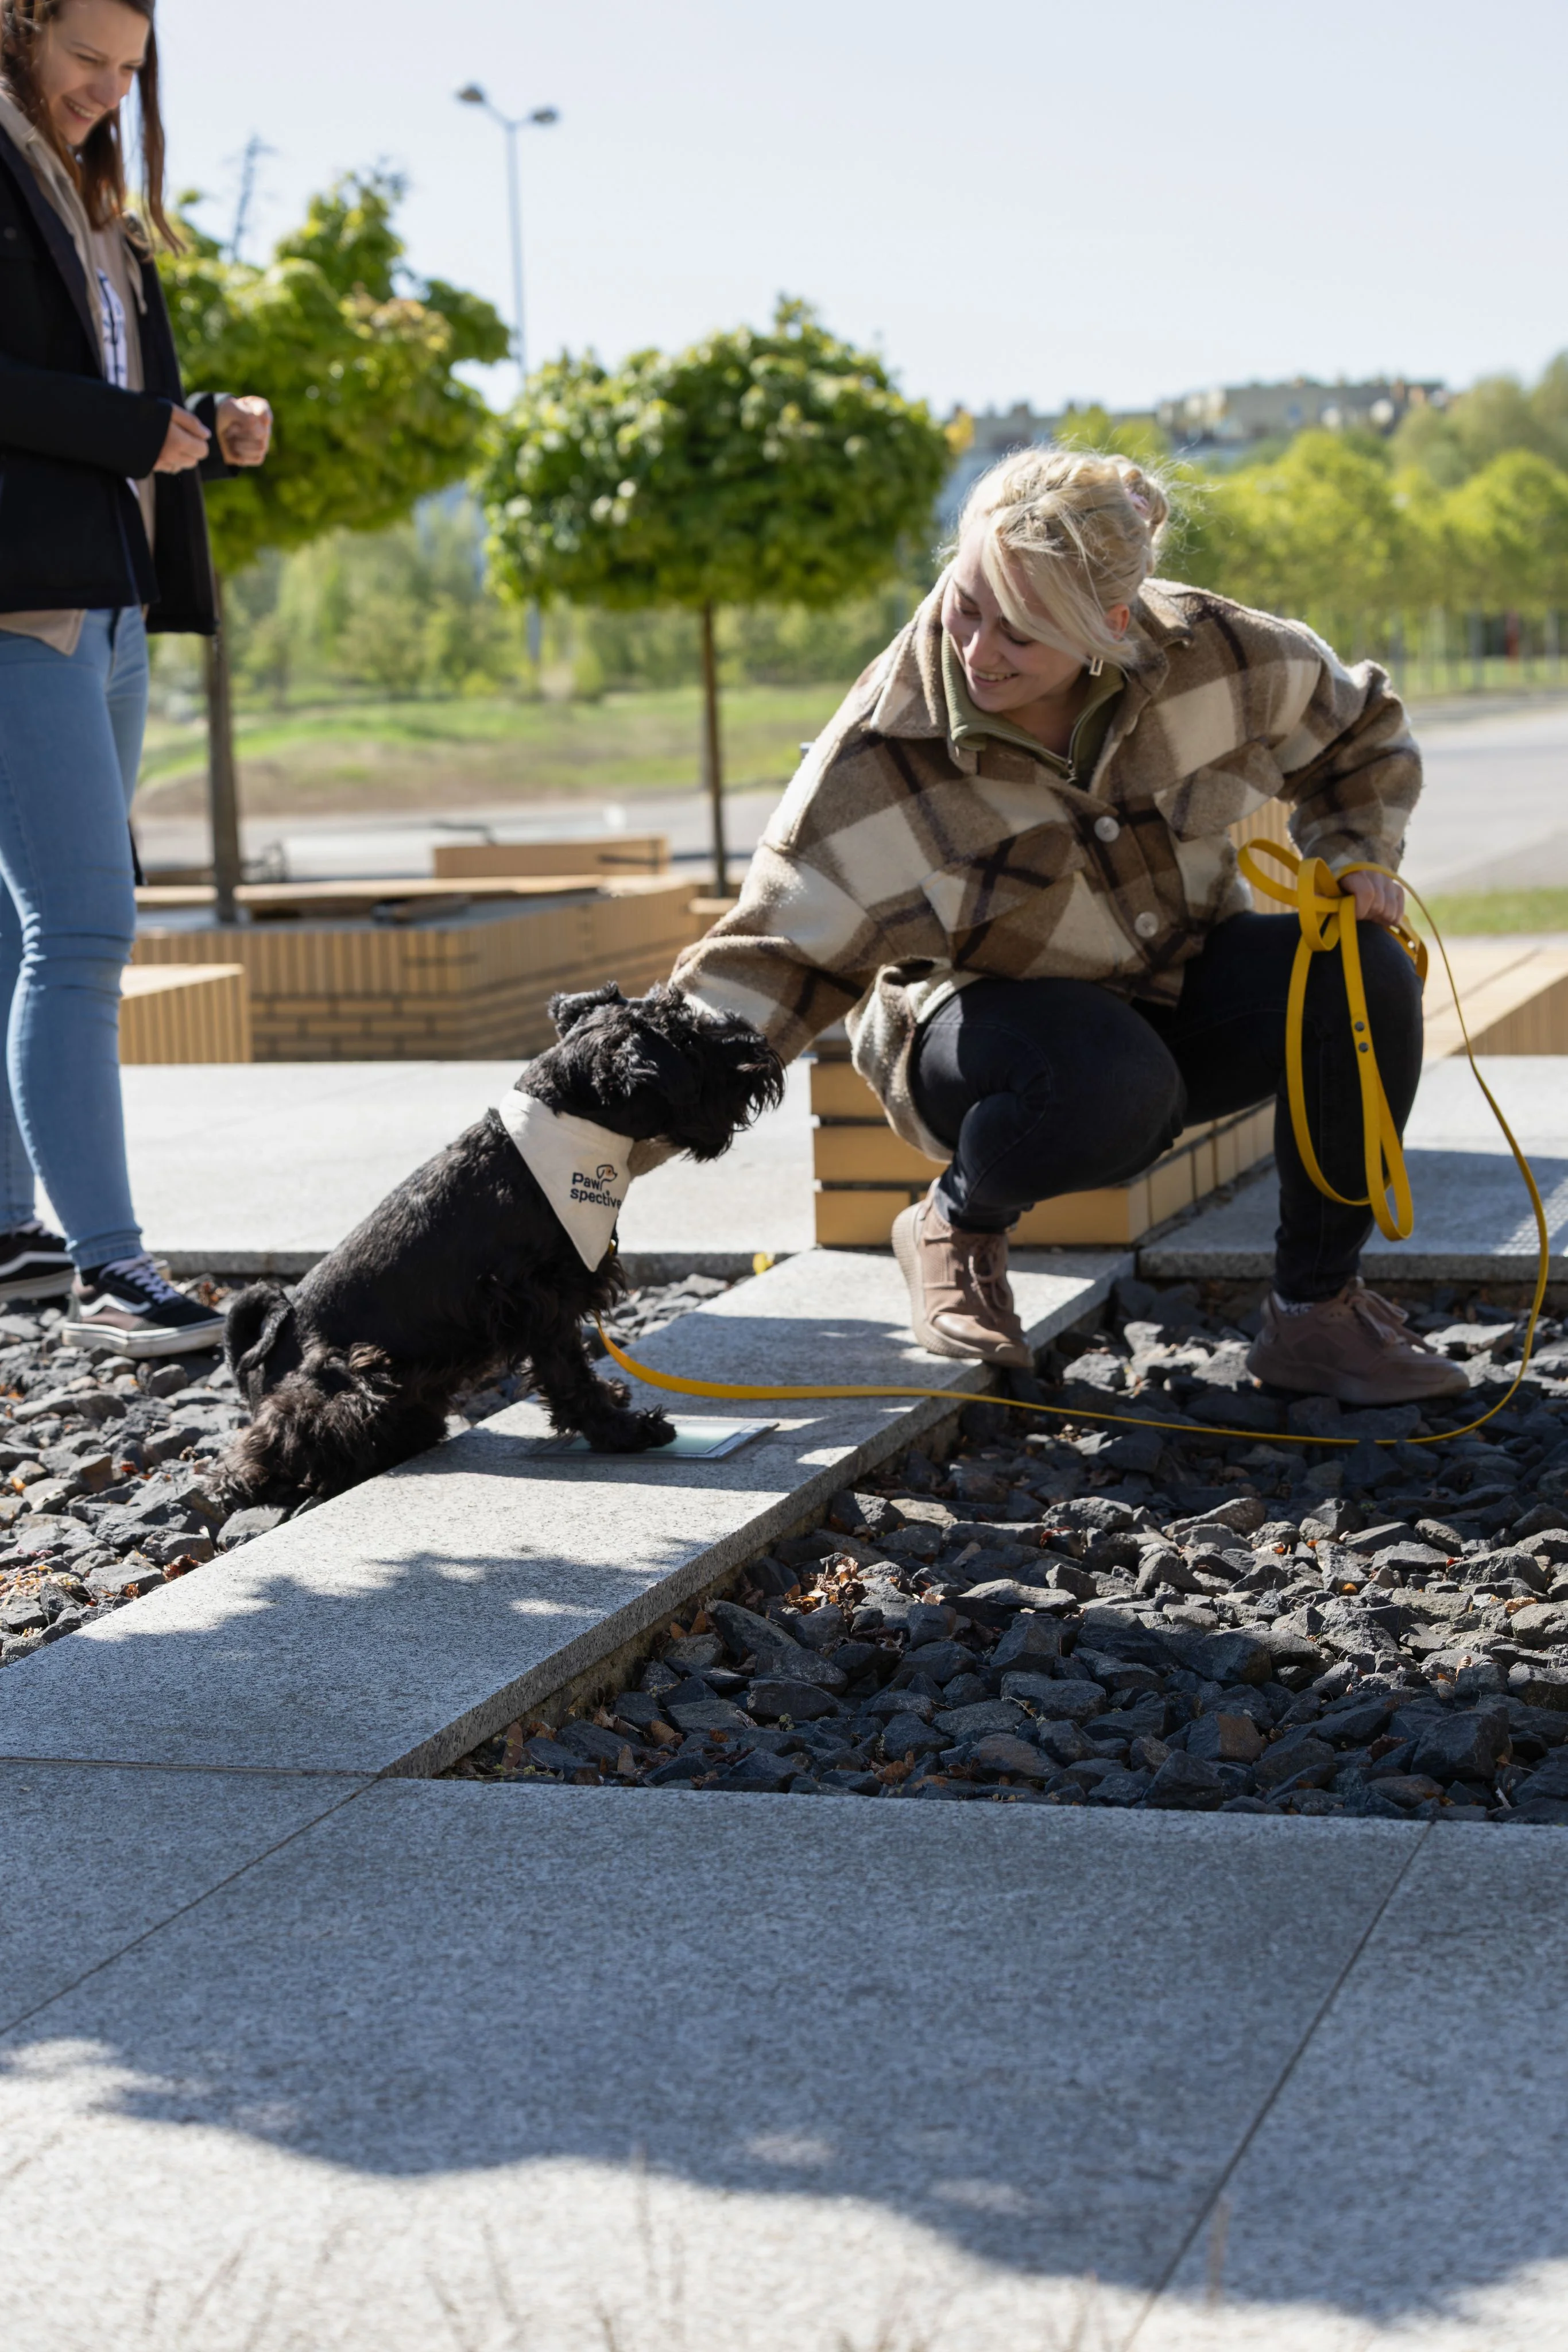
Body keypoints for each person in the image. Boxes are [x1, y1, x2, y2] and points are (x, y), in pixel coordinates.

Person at [672, 446, 1466, 1409]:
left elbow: (1360, 733)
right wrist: (582, 1146)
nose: (976, 652)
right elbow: (766, 961)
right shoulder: (877, 756)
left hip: (1172, 988)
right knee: (1108, 1083)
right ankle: (954, 1225)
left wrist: (1356, 856)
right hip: (979, 1030)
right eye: (965, 604)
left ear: (1110, 627)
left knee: (1363, 975)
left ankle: (1315, 1317)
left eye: (1021, 632)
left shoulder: (1219, 652)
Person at [0, 0, 272, 1356]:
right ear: (18, 26)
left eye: (130, 70)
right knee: (86, 924)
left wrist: (204, 419)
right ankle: (112, 1264)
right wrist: (131, 427)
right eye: (85, 60)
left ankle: (9, 1235)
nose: (109, 91)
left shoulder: (97, 197)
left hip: (106, 599)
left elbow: (105, 391)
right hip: (16, 604)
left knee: (17, 925)